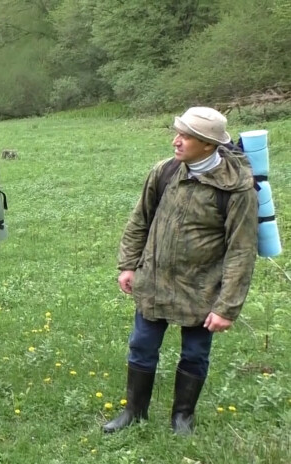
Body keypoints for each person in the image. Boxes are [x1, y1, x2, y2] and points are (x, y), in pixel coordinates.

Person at [105, 107, 258, 435]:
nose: (176, 141)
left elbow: (242, 250)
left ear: (208, 144)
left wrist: (227, 306)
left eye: (185, 136)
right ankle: (134, 412)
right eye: (177, 133)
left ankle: (182, 419)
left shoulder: (237, 187)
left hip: (202, 288)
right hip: (155, 281)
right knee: (141, 346)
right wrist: (128, 265)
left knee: (194, 354)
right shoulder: (164, 171)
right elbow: (139, 220)